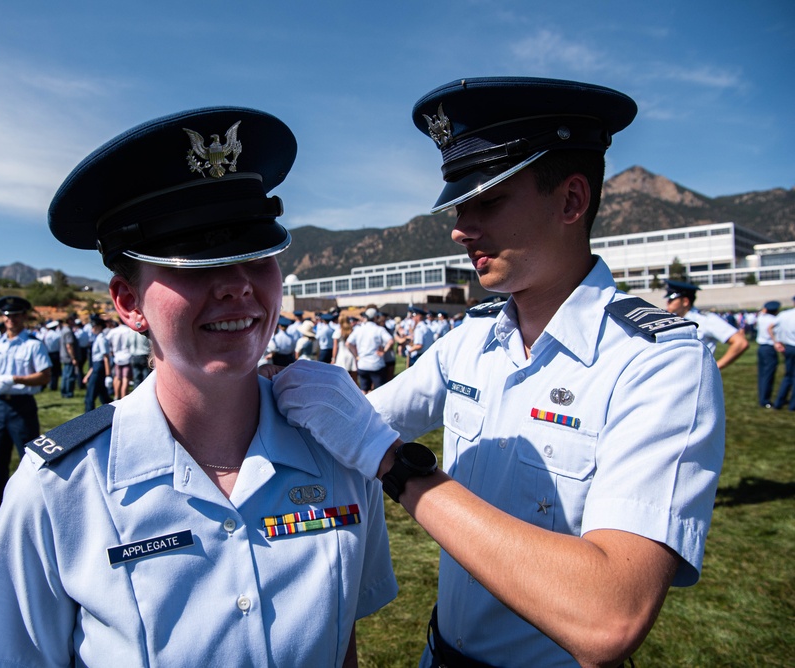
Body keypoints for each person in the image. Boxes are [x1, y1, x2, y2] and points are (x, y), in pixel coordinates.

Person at [274, 77, 725, 667]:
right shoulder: (475, 339)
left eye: (487, 202)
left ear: (570, 201)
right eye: (461, 206)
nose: (462, 229)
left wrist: (396, 467)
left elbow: (610, 614)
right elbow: (367, 417)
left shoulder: (656, 362)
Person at [0, 106, 396, 667]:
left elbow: (341, 642)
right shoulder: (61, 491)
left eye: (256, 254)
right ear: (128, 302)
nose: (237, 284)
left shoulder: (338, 452)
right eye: (195, 262)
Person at [0, 295, 51, 525]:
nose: (11, 319)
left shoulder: (33, 344)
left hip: (22, 406)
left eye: (16, 315)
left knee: (29, 460)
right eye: (8, 316)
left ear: (24, 317)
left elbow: (44, 376)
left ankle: (33, 510)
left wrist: (15, 379)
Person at [664, 280, 749, 370]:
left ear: (685, 301)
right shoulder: (672, 320)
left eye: (671, 300)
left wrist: (714, 368)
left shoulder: (705, 319)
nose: (668, 303)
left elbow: (740, 343)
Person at [346, 306, 393, 392]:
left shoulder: (359, 329)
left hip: (362, 364)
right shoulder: (379, 329)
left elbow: (348, 343)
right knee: (379, 391)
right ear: (375, 317)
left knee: (364, 390)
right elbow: (390, 340)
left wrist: (356, 356)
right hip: (376, 364)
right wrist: (384, 351)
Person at [82, 315, 112, 412]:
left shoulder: (101, 339)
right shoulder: (98, 338)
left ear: (99, 327)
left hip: (99, 368)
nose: (92, 328)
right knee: (103, 396)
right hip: (96, 366)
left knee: (90, 397)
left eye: (94, 326)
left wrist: (108, 375)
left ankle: (88, 419)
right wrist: (88, 375)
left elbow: (105, 358)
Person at [771, 295, 795, 411]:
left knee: (788, 375)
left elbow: (770, 327)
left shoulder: (785, 314)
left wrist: (776, 342)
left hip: (789, 347)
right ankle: (792, 405)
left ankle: (779, 402)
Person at [755, 300, 781, 407]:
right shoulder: (775, 320)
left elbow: (761, 311)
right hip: (770, 348)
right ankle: (765, 400)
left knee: (762, 374)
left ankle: (762, 397)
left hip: (761, 347)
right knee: (768, 375)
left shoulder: (761, 317)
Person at [58, 314, 79, 398]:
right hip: (68, 357)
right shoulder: (68, 331)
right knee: (69, 376)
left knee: (65, 375)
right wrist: (73, 357)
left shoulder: (63, 330)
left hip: (64, 355)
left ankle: (64, 391)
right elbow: (69, 346)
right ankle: (68, 392)